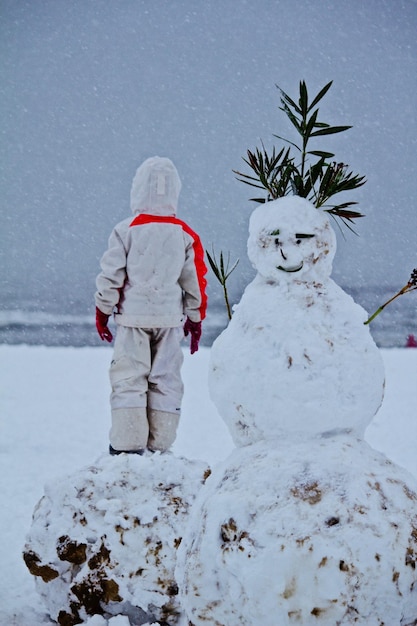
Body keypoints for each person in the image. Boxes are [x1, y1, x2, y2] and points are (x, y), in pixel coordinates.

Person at [95, 157, 207, 455]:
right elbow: (194, 279)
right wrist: (195, 318)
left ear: (138, 190)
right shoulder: (184, 234)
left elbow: (111, 275)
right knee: (166, 378)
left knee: (129, 377)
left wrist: (103, 310)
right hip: (170, 320)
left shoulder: (126, 230)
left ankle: (127, 442)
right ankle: (160, 442)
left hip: (132, 318)